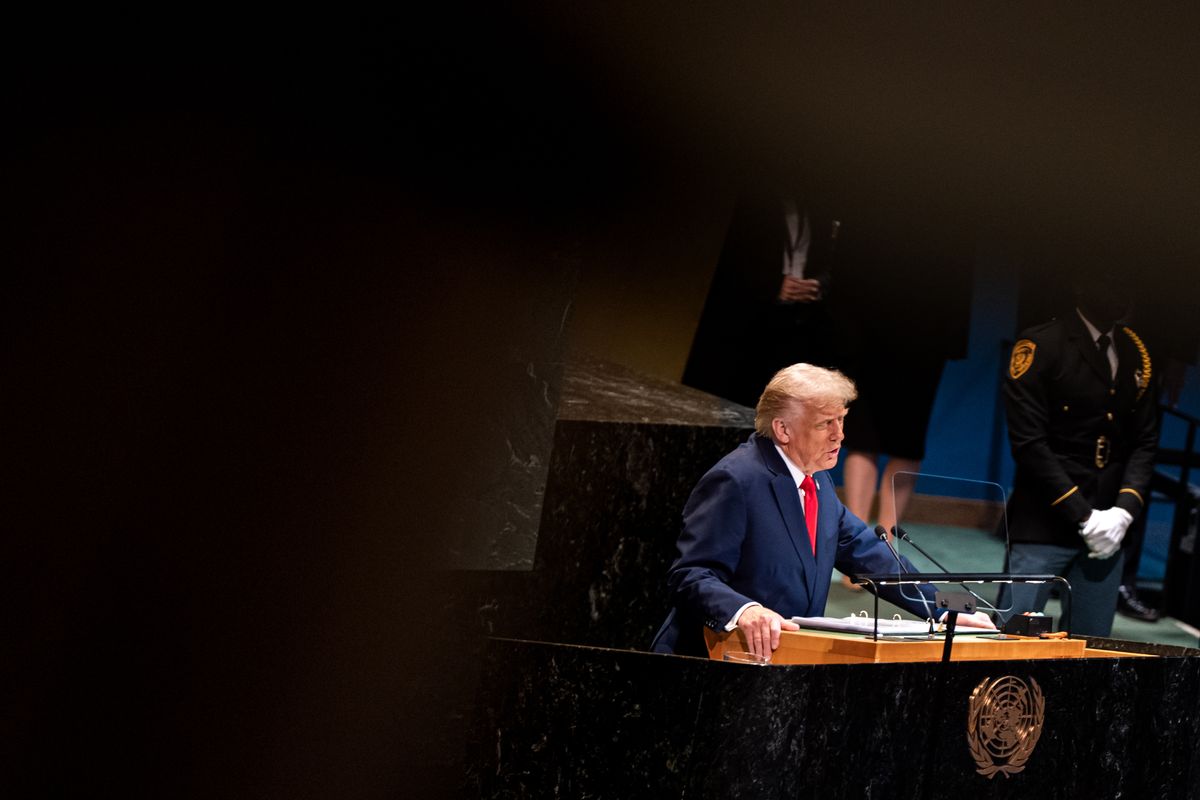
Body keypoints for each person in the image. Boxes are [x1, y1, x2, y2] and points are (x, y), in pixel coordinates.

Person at [651, 363, 994, 659]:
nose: (839, 435)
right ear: (783, 429)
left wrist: (943, 607)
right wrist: (745, 610)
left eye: (841, 420)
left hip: (785, 657)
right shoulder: (737, 480)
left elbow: (868, 553)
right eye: (824, 424)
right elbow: (691, 575)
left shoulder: (816, 479)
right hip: (712, 659)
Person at [998, 269, 1159, 637]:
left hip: (1109, 528)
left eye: (1127, 284)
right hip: (1045, 519)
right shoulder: (1042, 344)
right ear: (1081, 284)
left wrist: (1123, 512)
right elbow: (1029, 443)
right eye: (1111, 281)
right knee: (1010, 642)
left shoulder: (1135, 352)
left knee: (1091, 647)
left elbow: (1144, 441)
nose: (1121, 294)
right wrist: (1083, 516)